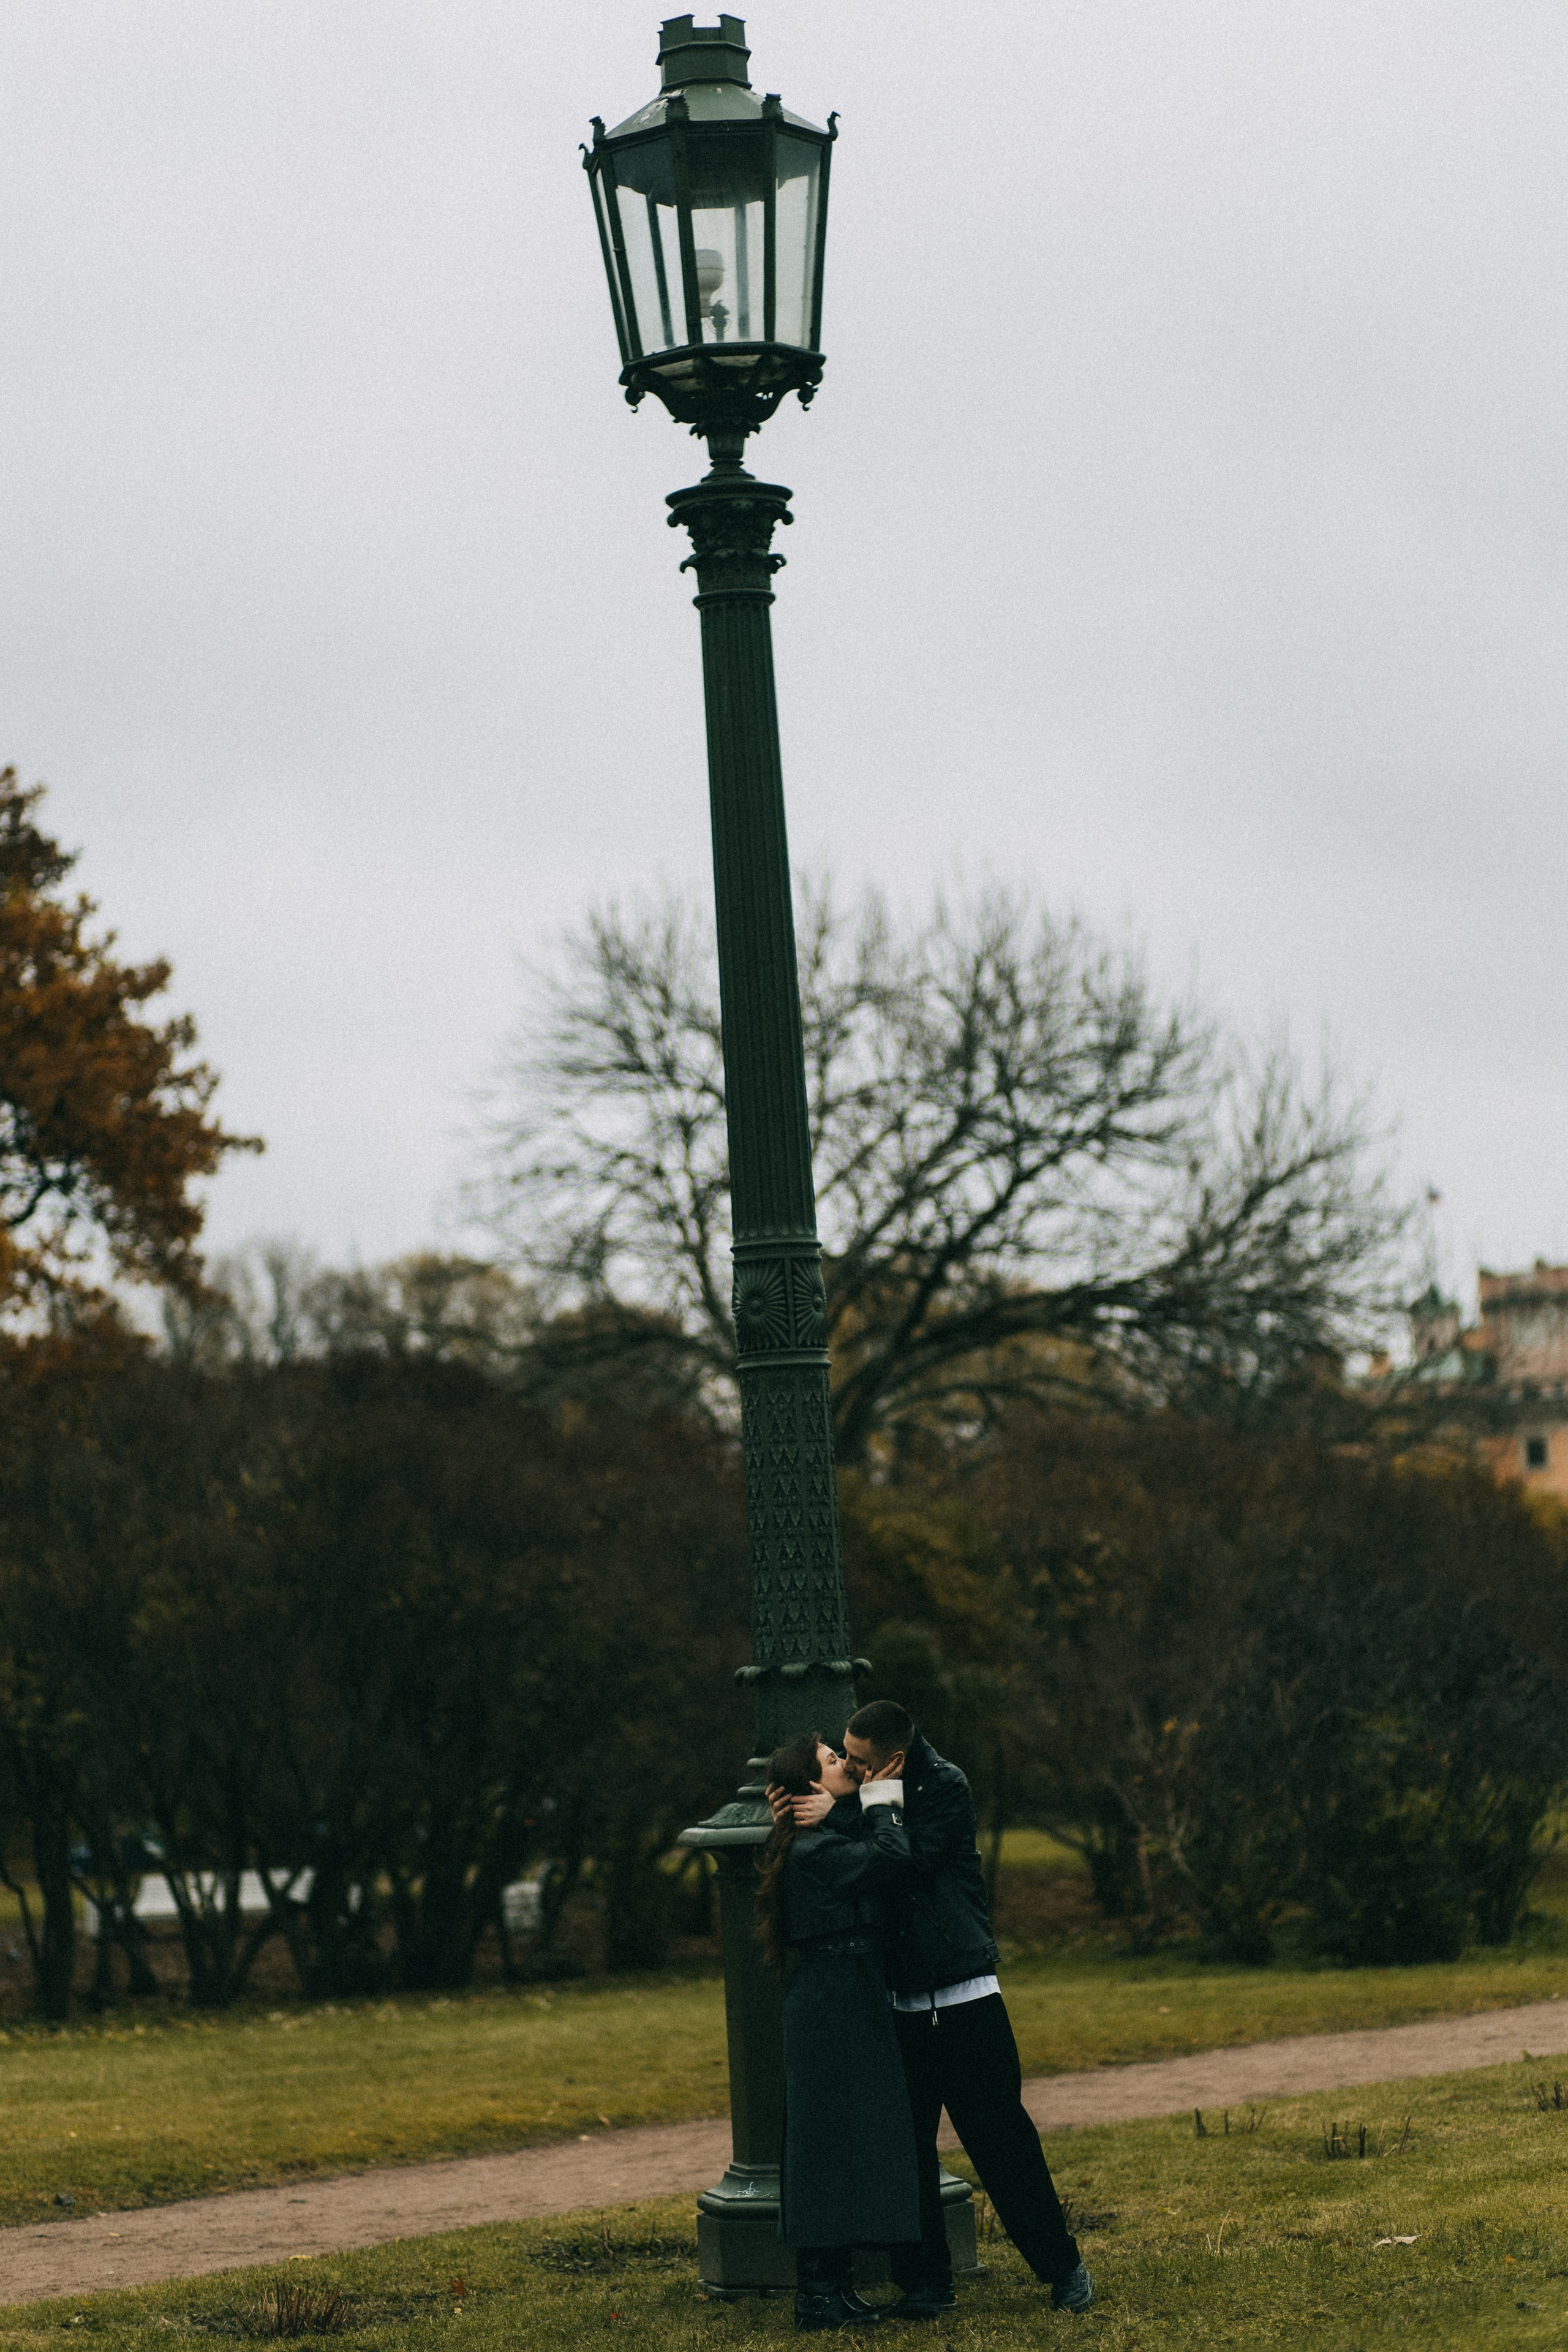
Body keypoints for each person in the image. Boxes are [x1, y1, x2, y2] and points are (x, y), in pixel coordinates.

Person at [773, 1700, 1095, 2320]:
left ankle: (1063, 2269)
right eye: (844, 1758)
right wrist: (808, 1810)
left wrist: (845, 1804)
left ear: (891, 1759)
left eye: (860, 1763)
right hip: (899, 2004)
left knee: (1002, 2143)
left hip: (964, 1995)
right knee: (908, 2152)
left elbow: (906, 1862)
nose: (852, 1769)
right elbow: (849, 1863)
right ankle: (925, 2285)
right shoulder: (866, 1795)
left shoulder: (944, 1787)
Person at [757, 1730, 922, 2331]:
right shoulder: (812, 1851)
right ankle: (818, 2293)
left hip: (845, 1991)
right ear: (808, 1785)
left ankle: (836, 2287)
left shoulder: (820, 1838)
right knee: (825, 2143)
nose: (846, 1764)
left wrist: (848, 1807)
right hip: (832, 1998)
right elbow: (889, 1858)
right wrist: (879, 1803)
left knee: (846, 2138)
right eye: (831, 1761)